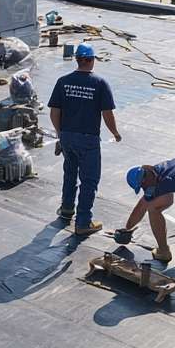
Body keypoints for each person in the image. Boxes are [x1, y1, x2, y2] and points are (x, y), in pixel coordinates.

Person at [47, 43, 120, 236]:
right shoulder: (99, 83)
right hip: (88, 140)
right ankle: (83, 222)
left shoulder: (63, 81)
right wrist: (115, 133)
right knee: (89, 180)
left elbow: (55, 112)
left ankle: (67, 209)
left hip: (67, 137)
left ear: (78, 59)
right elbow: (107, 114)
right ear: (91, 60)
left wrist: (59, 134)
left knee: (70, 174)